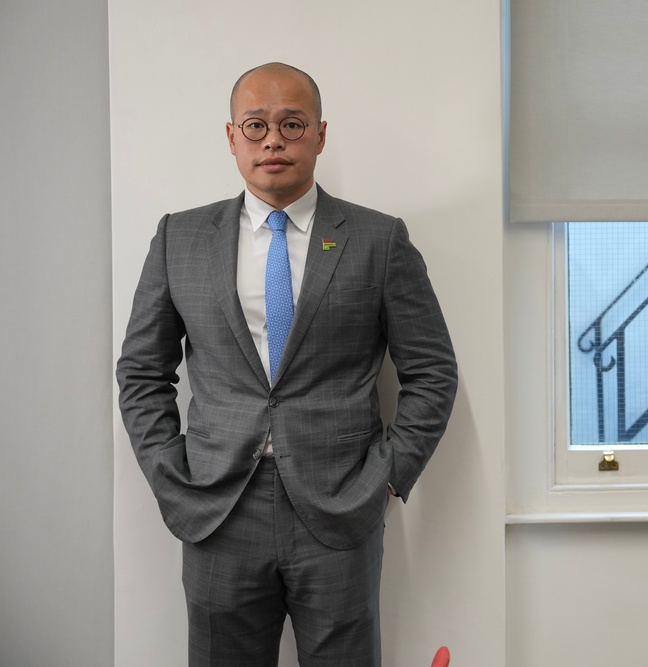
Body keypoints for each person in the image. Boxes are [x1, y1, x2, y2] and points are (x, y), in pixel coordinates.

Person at [117, 62, 458, 667]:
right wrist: (171, 476)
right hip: (218, 509)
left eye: (292, 124)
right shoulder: (179, 238)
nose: (272, 140)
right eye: (256, 125)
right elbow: (143, 373)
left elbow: (431, 372)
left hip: (339, 508)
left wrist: (385, 477)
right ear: (231, 137)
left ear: (320, 135)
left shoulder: (379, 241)